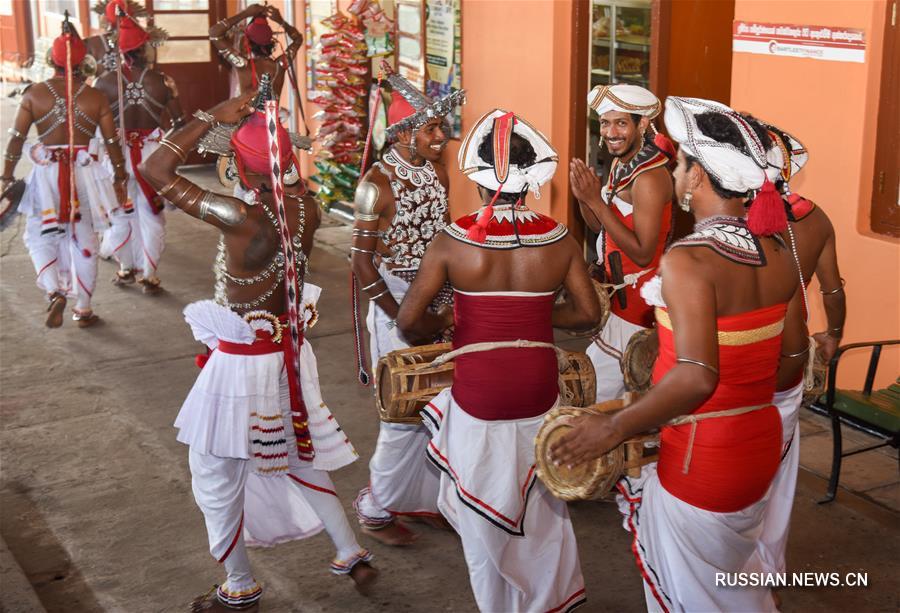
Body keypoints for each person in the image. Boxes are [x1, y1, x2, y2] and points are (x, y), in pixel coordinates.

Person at [551, 97, 806, 612]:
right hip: (759, 446)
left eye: (683, 163)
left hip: (702, 456)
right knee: (734, 586)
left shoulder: (690, 260)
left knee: (696, 597)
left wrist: (614, 426)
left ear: (699, 179)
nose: (675, 170)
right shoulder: (779, 253)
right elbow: (794, 358)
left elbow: (696, 378)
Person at [139, 83, 377, 611]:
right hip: (288, 355)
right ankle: (349, 550)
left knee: (216, 470)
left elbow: (155, 171)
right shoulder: (307, 208)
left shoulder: (239, 218)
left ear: (239, 171)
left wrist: (208, 114)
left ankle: (239, 583)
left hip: (244, 365)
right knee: (298, 453)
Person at [397, 109, 600, 612]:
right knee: (543, 499)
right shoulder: (559, 239)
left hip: (480, 393)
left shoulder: (454, 240)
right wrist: (534, 317)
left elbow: (408, 321)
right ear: (533, 179)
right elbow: (587, 314)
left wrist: (449, 325)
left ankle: (499, 603)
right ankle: (549, 600)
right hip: (538, 387)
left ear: (479, 179)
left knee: (483, 511)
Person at [350, 65, 465, 545]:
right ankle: (377, 508)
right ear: (402, 135)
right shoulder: (376, 184)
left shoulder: (435, 170)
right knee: (402, 407)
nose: (442, 137)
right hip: (395, 303)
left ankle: (420, 499)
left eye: (441, 128)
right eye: (431, 129)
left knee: (438, 403)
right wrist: (398, 316)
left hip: (438, 301)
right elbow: (360, 264)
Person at [743, 121, 846, 579]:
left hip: (744, 357)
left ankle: (726, 579)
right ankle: (765, 575)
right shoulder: (817, 218)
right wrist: (834, 335)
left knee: (736, 469)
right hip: (791, 359)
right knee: (778, 473)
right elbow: (832, 289)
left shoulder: (734, 218)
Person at [1, 16, 126, 328]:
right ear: (82, 63)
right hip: (85, 174)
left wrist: (5, 175)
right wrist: (120, 175)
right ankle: (83, 308)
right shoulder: (96, 97)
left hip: (46, 176)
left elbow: (15, 141)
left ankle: (54, 290)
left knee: (39, 234)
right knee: (82, 236)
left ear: (50, 60)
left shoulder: (33, 94)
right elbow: (111, 142)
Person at [570, 84, 673, 403]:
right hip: (619, 302)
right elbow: (600, 228)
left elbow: (643, 252)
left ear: (642, 125)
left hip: (637, 310)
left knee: (595, 397)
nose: (611, 132)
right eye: (605, 123)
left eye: (621, 123)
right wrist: (584, 200)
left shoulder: (650, 178)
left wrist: (595, 201)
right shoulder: (621, 164)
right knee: (621, 400)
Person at [94, 13, 184, 293]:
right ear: (144, 48)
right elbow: (180, 122)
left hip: (115, 156)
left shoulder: (104, 82)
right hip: (152, 157)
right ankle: (150, 274)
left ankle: (124, 269)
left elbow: (97, 124)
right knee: (152, 215)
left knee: (121, 214)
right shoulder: (163, 82)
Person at [208, 3, 302, 98]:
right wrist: (280, 21)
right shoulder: (281, 65)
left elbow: (214, 33)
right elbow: (298, 39)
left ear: (247, 43)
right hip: (274, 113)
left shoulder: (242, 65)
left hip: (246, 113)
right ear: (271, 42)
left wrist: (245, 13)